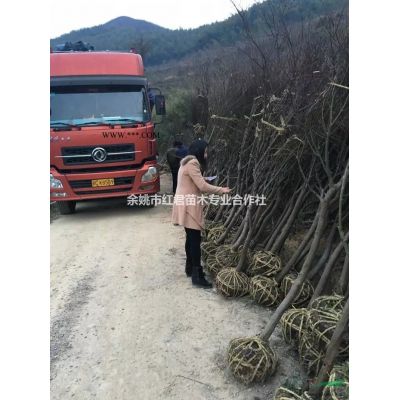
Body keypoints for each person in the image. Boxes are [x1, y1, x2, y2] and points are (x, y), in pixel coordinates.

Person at [171, 139, 231, 288]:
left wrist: (203, 179)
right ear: (199, 151)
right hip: (189, 204)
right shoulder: (193, 163)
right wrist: (221, 190)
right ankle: (197, 275)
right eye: (205, 151)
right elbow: (202, 186)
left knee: (190, 237)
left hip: (184, 202)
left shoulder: (185, 162)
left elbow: (193, 181)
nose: (206, 154)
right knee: (195, 239)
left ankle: (190, 268)